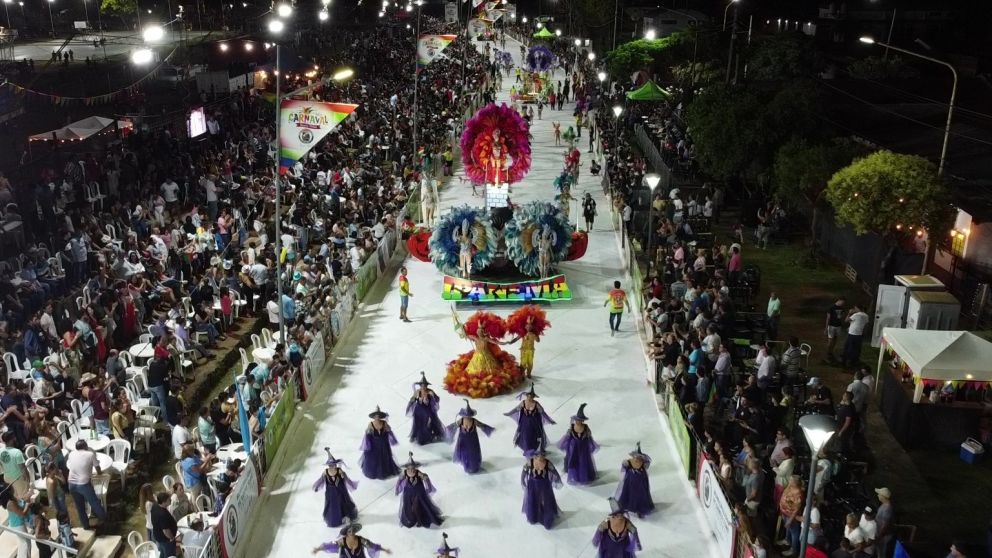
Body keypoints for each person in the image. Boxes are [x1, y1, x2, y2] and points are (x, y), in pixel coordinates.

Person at [66, 439, 107, 530]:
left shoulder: (71, 454)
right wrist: (99, 474)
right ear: (85, 447)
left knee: (80, 507)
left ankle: (86, 526)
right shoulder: (90, 454)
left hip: (71, 484)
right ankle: (104, 520)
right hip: (83, 484)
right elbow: (98, 468)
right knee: (94, 502)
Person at [445, 400, 494, 474]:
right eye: (466, 415)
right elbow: (454, 426)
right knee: (465, 454)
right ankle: (467, 467)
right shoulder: (461, 421)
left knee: (473, 453)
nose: (468, 417)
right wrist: (448, 428)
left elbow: (482, 425)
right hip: (463, 441)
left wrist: (490, 429)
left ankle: (474, 467)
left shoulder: (474, 421)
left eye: (469, 416)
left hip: (473, 441)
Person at [395, 452, 443, 528]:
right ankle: (412, 518)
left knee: (416, 506)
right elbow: (400, 480)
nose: (412, 470)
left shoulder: (418, 473)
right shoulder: (405, 473)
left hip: (418, 493)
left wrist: (425, 477)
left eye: (413, 468)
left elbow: (424, 477)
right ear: (407, 468)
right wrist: (397, 488)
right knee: (409, 507)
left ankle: (420, 520)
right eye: (410, 468)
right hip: (408, 494)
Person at [505, 384, 556, 454]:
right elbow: (516, 409)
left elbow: (543, 413)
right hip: (525, 423)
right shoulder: (523, 403)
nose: (530, 398)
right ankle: (527, 449)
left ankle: (535, 448)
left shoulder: (536, 404)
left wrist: (550, 420)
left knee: (536, 436)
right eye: (529, 396)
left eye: (531, 396)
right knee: (526, 436)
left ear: (533, 397)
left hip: (534, 423)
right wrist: (509, 413)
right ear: (526, 396)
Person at [312, 449, 358, 528]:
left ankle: (347, 517)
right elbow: (321, 480)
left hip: (340, 490)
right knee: (333, 506)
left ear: (335, 465)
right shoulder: (325, 472)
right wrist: (317, 486)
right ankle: (336, 519)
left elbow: (345, 478)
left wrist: (346, 479)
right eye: (330, 465)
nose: (332, 466)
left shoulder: (339, 470)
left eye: (333, 465)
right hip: (331, 492)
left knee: (343, 503)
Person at [558, 403, 599, 485]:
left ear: (582, 420)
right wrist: (566, 447)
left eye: (580, 420)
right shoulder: (571, 428)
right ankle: (576, 476)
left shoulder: (586, 428)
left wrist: (591, 445)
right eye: (577, 420)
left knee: (583, 462)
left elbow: (589, 437)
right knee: (575, 462)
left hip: (584, 448)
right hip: (574, 449)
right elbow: (567, 438)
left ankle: (585, 476)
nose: (578, 421)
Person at [521, 447, 562, 530]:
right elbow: (524, 473)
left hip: (545, 486)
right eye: (538, 455)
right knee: (533, 500)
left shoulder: (548, 463)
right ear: (535, 456)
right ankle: (534, 517)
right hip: (533, 485)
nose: (540, 457)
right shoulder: (530, 462)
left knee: (545, 502)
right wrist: (523, 482)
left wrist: (555, 480)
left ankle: (546, 520)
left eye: (542, 455)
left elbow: (555, 473)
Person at [360, 406, 400, 480]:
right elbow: (367, 434)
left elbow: (389, 430)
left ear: (380, 417)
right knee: (374, 458)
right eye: (376, 416)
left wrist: (387, 429)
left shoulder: (384, 423)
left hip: (383, 444)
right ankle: (374, 472)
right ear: (374, 417)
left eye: (378, 416)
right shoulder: (371, 424)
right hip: (374, 444)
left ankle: (384, 472)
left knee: (384, 457)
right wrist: (367, 444)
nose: (377, 417)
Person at [405, 372, 446, 445]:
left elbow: (437, 399)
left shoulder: (430, 391)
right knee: (417, 422)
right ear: (420, 386)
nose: (423, 387)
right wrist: (411, 402)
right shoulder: (418, 392)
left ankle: (435, 434)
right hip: (418, 409)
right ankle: (415, 435)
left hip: (428, 410)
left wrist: (433, 395)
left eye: (425, 385)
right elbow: (413, 399)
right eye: (422, 385)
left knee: (431, 420)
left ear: (427, 386)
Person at [615, 443, 654, 518]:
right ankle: (629, 507)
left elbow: (646, 468)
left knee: (641, 495)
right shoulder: (628, 462)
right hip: (630, 482)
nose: (636, 458)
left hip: (641, 481)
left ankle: (640, 510)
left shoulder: (644, 462)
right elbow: (623, 470)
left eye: (638, 456)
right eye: (635, 456)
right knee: (631, 494)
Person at [312, 523, 390, 556]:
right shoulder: (342, 541)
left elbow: (373, 546)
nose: (352, 532)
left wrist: (385, 550)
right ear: (347, 533)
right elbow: (330, 546)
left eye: (353, 530)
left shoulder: (361, 540)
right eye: (349, 531)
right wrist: (318, 549)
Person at [0, 432, 30, 500]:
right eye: (14, 437)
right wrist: (28, 480)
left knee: (15, 498)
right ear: (12, 439)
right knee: (25, 497)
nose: (15, 438)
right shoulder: (17, 452)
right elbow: (23, 469)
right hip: (18, 479)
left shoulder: (0, 451)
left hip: (7, 479)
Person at [151, 491, 179, 558]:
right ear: (164, 502)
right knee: (169, 555)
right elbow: (166, 531)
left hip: (158, 536)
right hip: (166, 540)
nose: (171, 500)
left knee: (162, 553)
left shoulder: (155, 506)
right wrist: (172, 538)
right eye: (169, 499)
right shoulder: (162, 514)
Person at [843, 304, 869, 368]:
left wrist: (849, 313)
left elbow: (846, 320)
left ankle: (847, 361)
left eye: (855, 308)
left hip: (852, 334)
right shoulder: (866, 315)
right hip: (859, 334)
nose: (854, 309)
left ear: (857, 308)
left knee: (849, 347)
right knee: (857, 348)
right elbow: (865, 325)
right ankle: (854, 360)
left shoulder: (856, 315)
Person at [874, 487, 895, 557]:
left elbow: (885, 525)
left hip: (883, 537)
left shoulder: (887, 509)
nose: (878, 495)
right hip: (880, 535)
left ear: (883, 496)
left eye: (879, 494)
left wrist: (879, 537)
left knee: (882, 554)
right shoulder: (883, 505)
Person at [824, 298, 846, 364]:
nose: (843, 304)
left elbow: (841, 317)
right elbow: (828, 318)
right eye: (843, 302)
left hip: (838, 326)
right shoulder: (831, 307)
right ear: (839, 300)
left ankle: (831, 352)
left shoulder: (842, 308)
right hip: (831, 326)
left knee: (835, 340)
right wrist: (826, 328)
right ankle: (828, 353)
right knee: (830, 341)